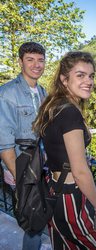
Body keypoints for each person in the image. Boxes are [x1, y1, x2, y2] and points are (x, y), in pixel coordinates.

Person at [33, 51, 96, 249]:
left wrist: (79, 156)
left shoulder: (53, 106)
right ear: (64, 79)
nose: (88, 81)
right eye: (80, 75)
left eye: (91, 75)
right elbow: (80, 172)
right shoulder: (70, 112)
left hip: (54, 191)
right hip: (71, 199)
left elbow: (56, 148)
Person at [0, 42, 47, 249]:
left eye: (40, 60)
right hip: (22, 171)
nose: (36, 65)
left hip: (41, 168)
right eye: (30, 59)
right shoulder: (7, 93)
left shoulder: (43, 92)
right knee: (33, 225)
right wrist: (19, 177)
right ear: (20, 62)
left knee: (42, 217)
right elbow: (4, 143)